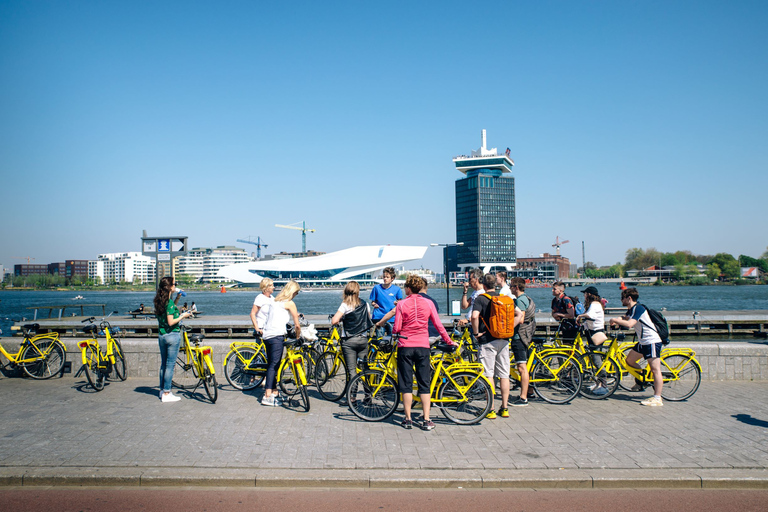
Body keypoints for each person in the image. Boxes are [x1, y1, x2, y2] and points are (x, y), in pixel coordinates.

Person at [392, 274, 454, 431]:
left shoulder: (401, 304)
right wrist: (449, 341)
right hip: (423, 346)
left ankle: (407, 419)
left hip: (405, 346)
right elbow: (439, 326)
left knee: (406, 384)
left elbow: (397, 327)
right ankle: (426, 419)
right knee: (424, 383)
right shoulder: (428, 303)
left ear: (408, 288)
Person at [609, 287, 664, 407]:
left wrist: (614, 320)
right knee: (629, 361)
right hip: (643, 342)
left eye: (622, 298)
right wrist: (618, 320)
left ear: (629, 298)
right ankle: (641, 380)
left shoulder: (639, 308)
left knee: (655, 370)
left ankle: (657, 398)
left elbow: (629, 324)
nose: (621, 300)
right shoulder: (632, 309)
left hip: (651, 341)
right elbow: (625, 318)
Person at [472, 274, 516, 417]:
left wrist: (476, 332)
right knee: (504, 374)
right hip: (504, 339)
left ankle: (490, 409)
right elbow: (518, 314)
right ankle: (504, 408)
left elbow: (474, 316)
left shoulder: (481, 299)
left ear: (483, 285)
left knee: (488, 374)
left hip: (487, 340)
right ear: (495, 285)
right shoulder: (505, 298)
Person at [261, 281, 302, 407]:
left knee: (273, 364)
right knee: (274, 365)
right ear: (293, 292)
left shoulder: (275, 301)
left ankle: (274, 392)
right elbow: (297, 325)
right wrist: (298, 337)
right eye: (296, 292)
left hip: (267, 336)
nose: (296, 295)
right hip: (277, 336)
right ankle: (267, 395)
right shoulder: (290, 303)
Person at [153, 277, 194, 403]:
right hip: (172, 335)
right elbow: (171, 321)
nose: (176, 286)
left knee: (163, 364)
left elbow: (169, 310)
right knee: (170, 365)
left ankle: (161, 390)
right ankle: (167, 392)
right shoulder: (168, 303)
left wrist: (177, 297)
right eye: (174, 284)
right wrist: (183, 315)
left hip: (162, 335)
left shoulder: (160, 301)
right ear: (170, 287)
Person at [331, 281, 373, 384]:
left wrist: (343, 319)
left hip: (349, 340)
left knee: (352, 371)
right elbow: (369, 318)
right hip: (363, 339)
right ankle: (368, 396)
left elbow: (334, 320)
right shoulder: (365, 304)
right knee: (364, 369)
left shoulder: (345, 304)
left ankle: (352, 397)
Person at [510, 277, 535, 402]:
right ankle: (529, 392)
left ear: (516, 287)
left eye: (511, 286)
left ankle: (523, 397)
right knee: (525, 366)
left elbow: (520, 319)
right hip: (526, 335)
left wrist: (507, 328)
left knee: (521, 367)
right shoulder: (527, 298)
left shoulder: (520, 301)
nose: (510, 288)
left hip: (519, 336)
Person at [369, 267, 403, 337]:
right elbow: (372, 302)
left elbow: (400, 302)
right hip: (379, 317)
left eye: (387, 277)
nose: (385, 279)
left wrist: (397, 303)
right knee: (379, 340)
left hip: (392, 319)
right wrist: (374, 304)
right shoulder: (376, 288)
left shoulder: (397, 289)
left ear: (392, 278)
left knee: (391, 340)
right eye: (384, 277)